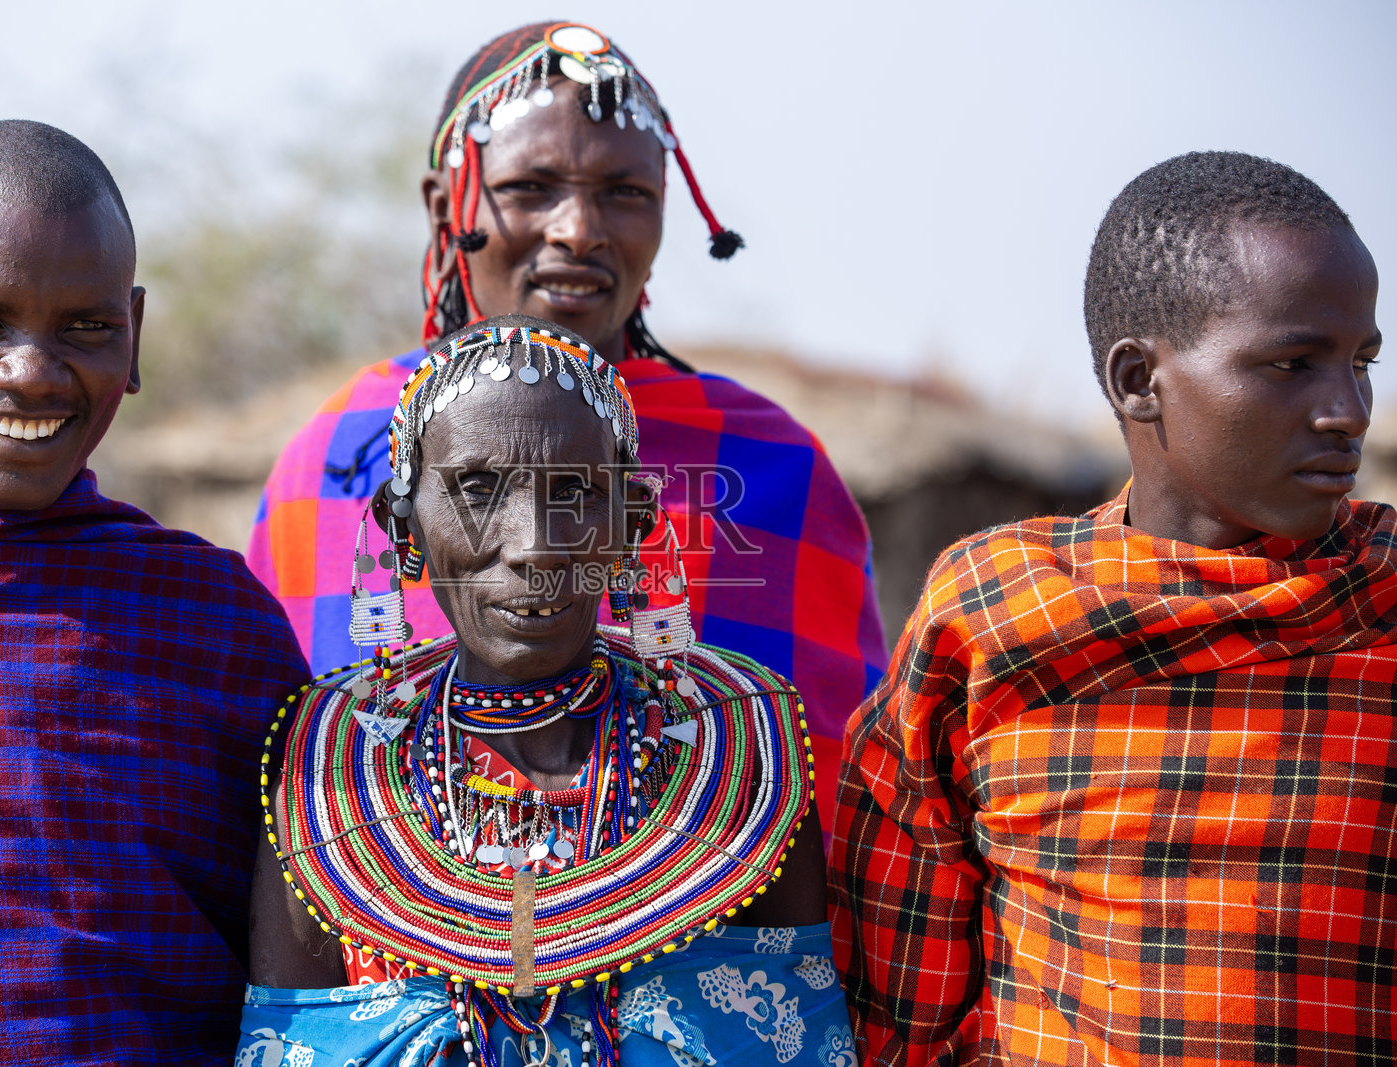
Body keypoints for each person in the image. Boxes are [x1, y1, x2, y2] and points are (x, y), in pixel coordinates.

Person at [246, 22, 888, 829]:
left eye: (625, 192)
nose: (580, 230)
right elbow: (287, 782)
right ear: (446, 208)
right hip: (387, 951)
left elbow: (843, 807)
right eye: (531, 187)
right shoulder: (344, 449)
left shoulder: (771, 467)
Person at [828, 150, 1392, 1065]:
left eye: (1361, 360)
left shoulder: (1384, 597)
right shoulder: (999, 611)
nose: (1348, 409)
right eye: (1293, 364)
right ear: (1138, 380)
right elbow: (895, 987)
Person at [0, 120, 309, 1065]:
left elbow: (302, 995)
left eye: (86, 326)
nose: (30, 371)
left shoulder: (217, 622)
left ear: (137, 334)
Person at [240, 317, 855, 1067]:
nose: (534, 544)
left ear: (633, 525)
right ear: (403, 531)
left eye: (575, 490)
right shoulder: (326, 779)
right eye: (475, 489)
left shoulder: (744, 755)